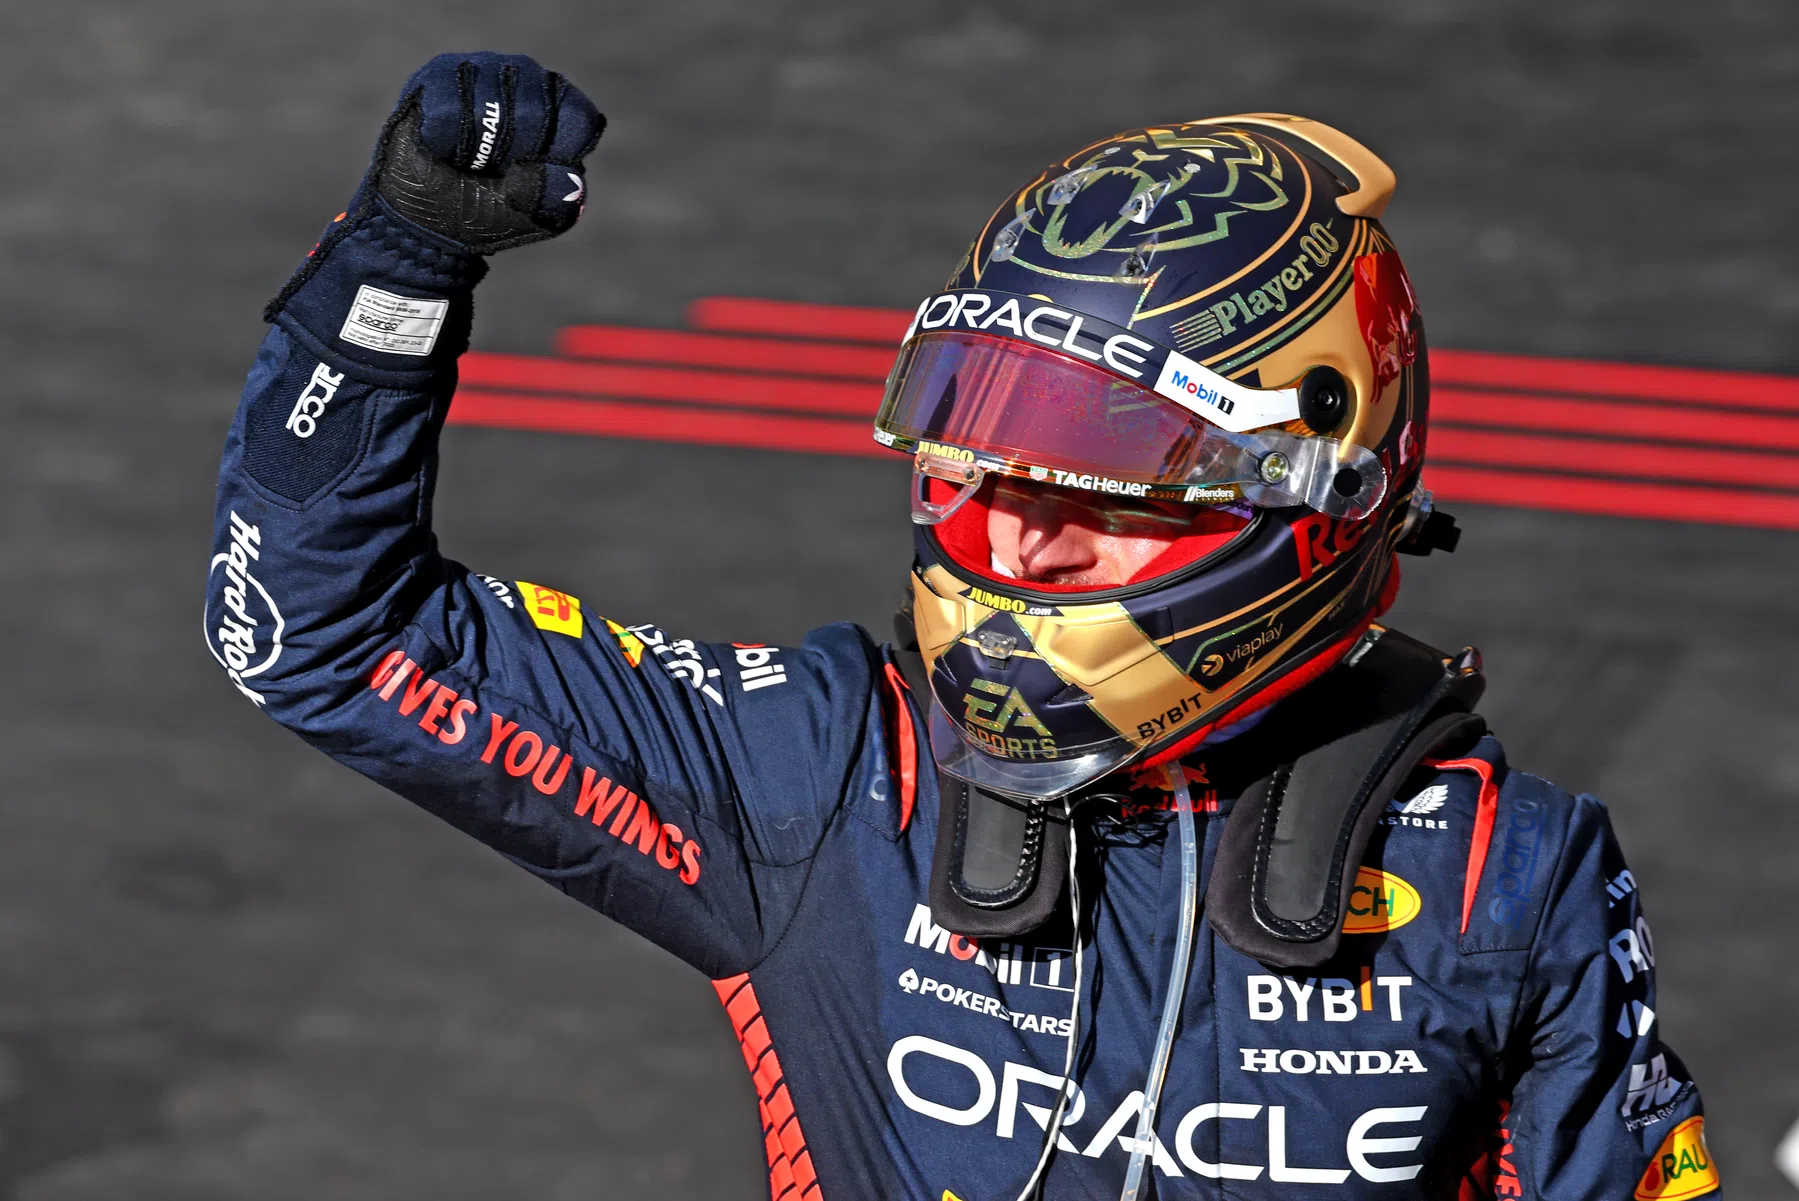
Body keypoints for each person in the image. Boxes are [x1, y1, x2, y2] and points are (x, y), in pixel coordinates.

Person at [205, 52, 1717, 1201]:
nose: (1017, 543)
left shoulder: (1502, 880)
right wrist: (396, 267)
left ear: (1306, 506)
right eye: (977, 473)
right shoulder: (826, 770)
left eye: (1103, 495)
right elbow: (320, 629)